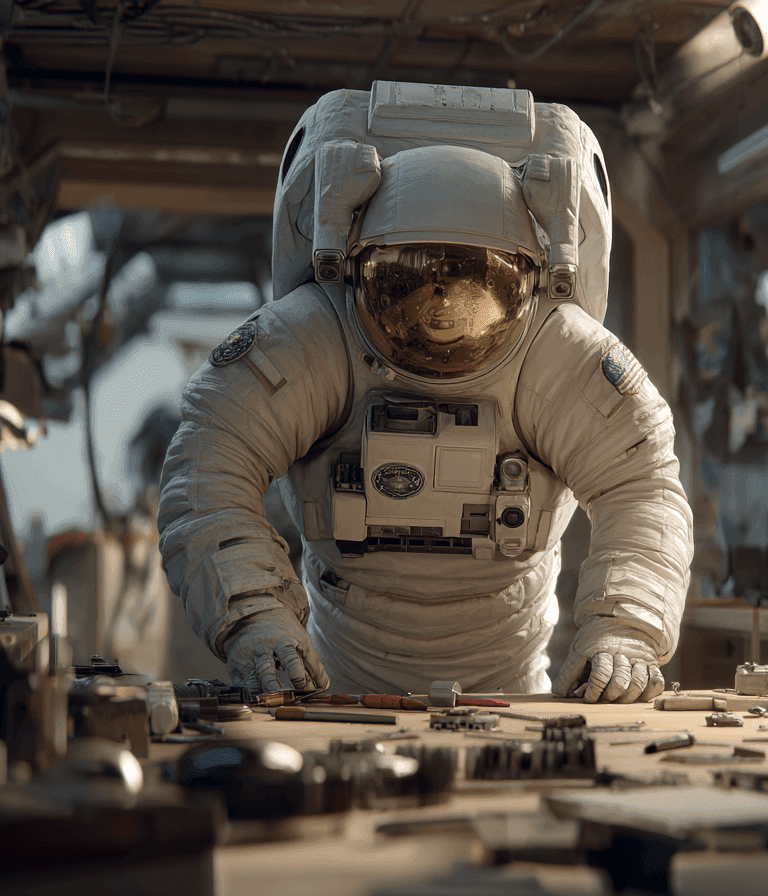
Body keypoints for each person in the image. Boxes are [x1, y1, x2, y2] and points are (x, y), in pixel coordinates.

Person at [157, 87, 692, 703]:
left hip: (509, 688)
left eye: (470, 282)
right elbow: (207, 465)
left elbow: (643, 489)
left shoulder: (557, 352)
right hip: (332, 688)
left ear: (526, 277)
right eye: (408, 279)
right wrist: (253, 615)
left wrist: (624, 631)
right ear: (358, 269)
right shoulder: (315, 337)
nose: (439, 309)